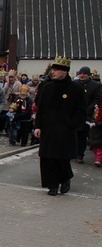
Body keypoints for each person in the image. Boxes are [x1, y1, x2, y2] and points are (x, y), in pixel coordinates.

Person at [34, 56, 87, 196]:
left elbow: (81, 110)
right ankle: (52, 185)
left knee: (61, 158)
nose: (53, 72)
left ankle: (65, 178)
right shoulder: (47, 87)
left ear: (65, 71)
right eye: (53, 69)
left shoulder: (76, 89)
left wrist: (72, 124)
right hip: (48, 129)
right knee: (47, 158)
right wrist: (38, 126)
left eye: (56, 70)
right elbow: (41, 109)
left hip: (65, 130)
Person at [73, 66, 102, 163]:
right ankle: (73, 153)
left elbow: (97, 99)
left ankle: (80, 155)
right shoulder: (74, 84)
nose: (82, 75)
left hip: (87, 114)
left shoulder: (95, 85)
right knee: (73, 134)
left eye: (84, 74)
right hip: (74, 113)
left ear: (89, 75)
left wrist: (89, 108)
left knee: (82, 135)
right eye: (80, 73)